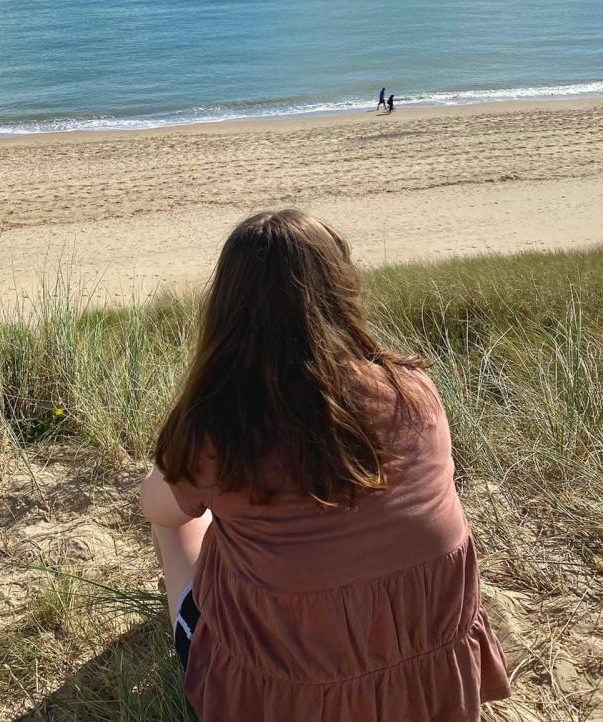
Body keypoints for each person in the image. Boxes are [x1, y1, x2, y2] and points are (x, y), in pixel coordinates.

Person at [140, 209, 510, 722]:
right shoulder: (414, 390)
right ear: (342, 288)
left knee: (179, 519)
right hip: (426, 682)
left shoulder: (219, 429)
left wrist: (186, 444)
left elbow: (155, 506)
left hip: (291, 696)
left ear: (226, 305)